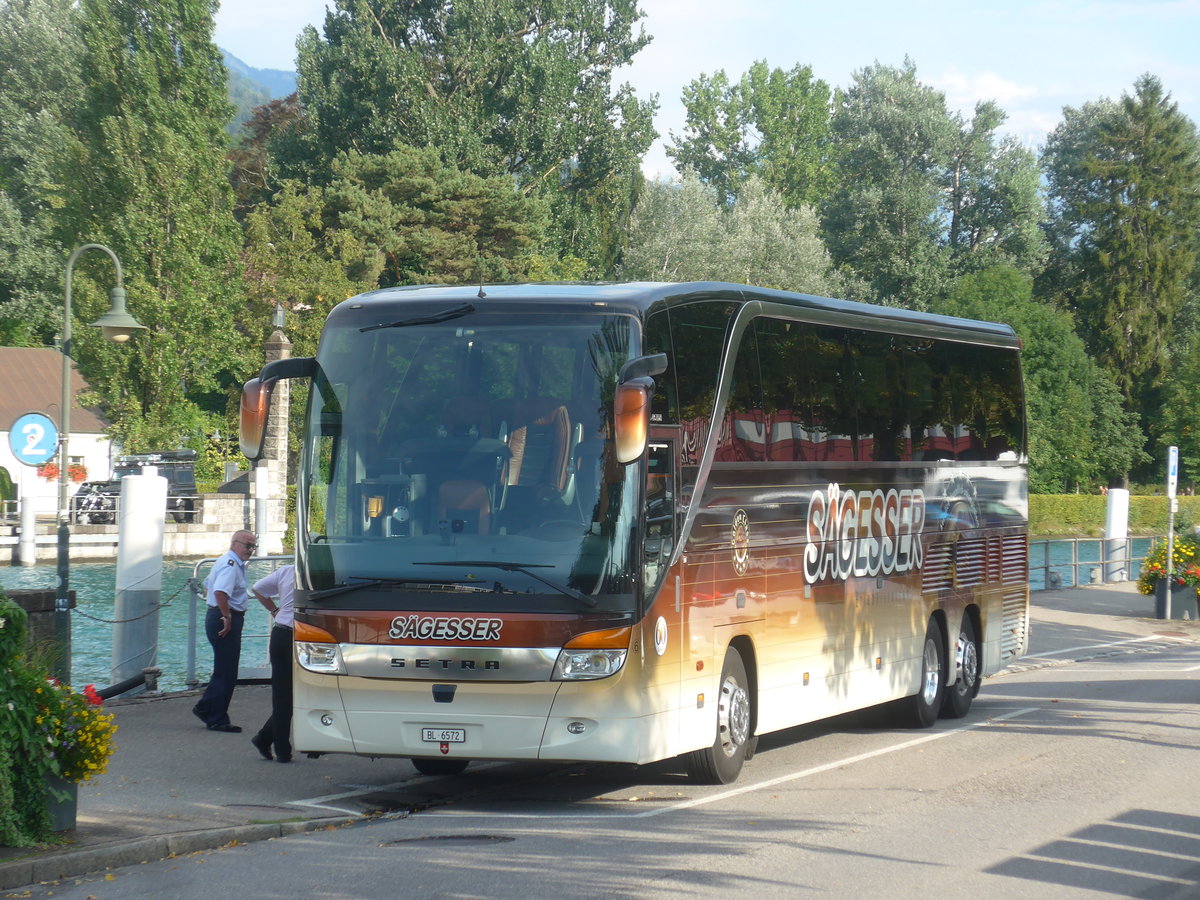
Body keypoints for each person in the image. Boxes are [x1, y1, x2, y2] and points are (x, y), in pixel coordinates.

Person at [192, 530, 257, 732]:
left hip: (219, 616)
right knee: (227, 671)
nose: (251, 550)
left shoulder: (227, 562)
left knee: (224, 668)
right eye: (248, 546)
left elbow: (207, 586)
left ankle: (207, 708)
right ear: (234, 543)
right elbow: (220, 592)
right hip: (225, 618)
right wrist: (227, 617)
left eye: (253, 546)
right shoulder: (230, 566)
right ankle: (217, 718)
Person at [249, 563, 295, 763]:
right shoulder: (321, 574)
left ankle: (269, 739)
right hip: (301, 635)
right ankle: (280, 747)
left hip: (281, 631)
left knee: (283, 695)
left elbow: (257, 588)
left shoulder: (286, 571)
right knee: (290, 696)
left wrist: (275, 610)